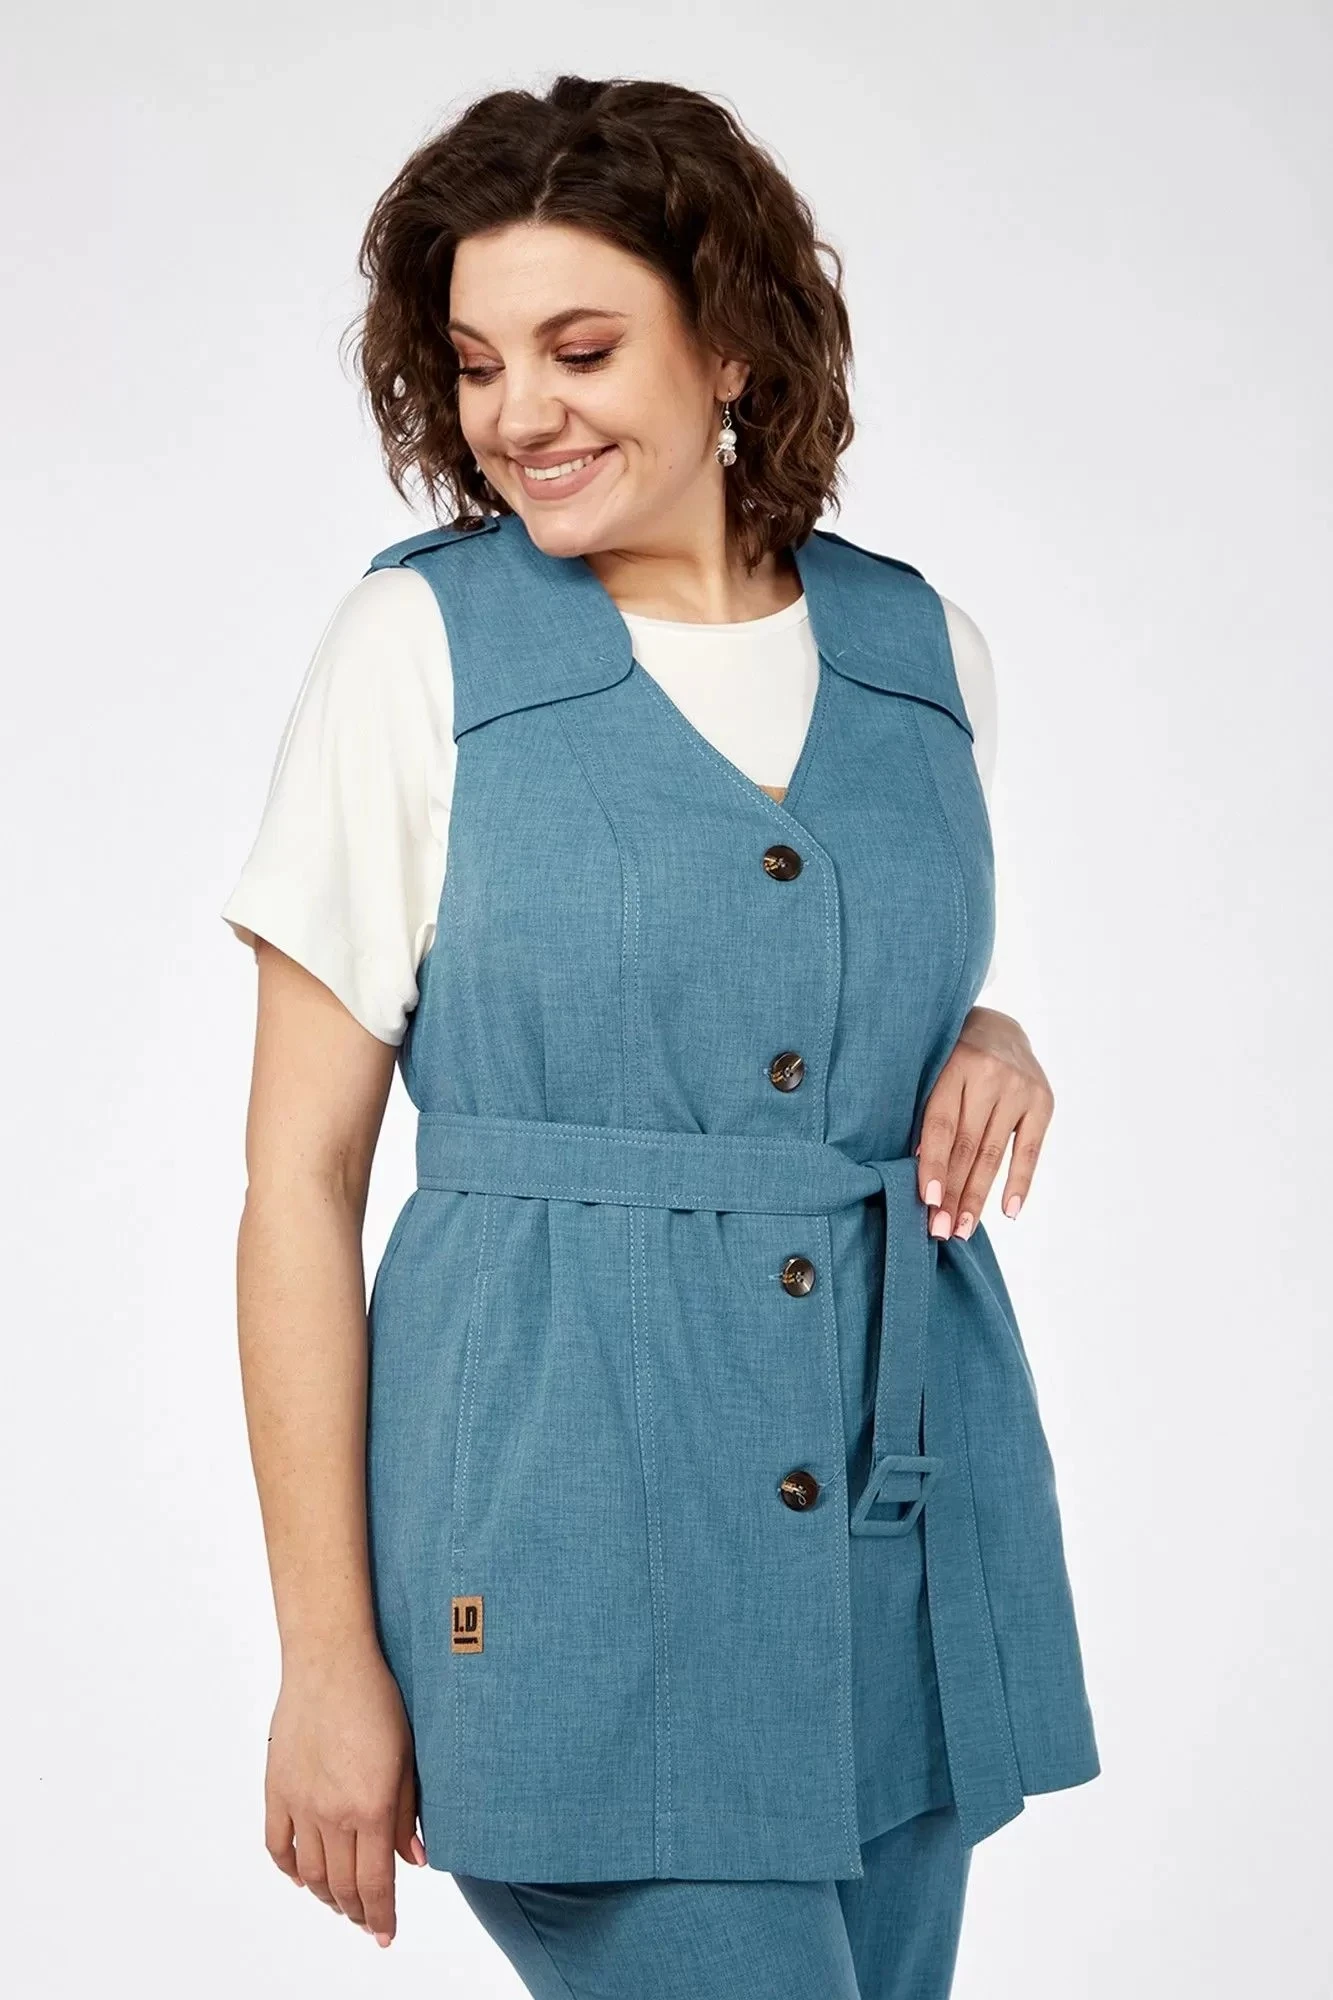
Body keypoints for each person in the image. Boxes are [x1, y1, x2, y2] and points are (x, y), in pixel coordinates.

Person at [222, 74, 1100, 2000]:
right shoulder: (417, 656)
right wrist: (324, 1659)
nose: (516, 415)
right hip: (568, 1543)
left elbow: (822, 979)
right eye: (475, 364)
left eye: (581, 347)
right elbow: (298, 1181)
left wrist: (992, 1032)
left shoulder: (921, 651)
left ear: (732, 347)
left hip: (900, 1524)